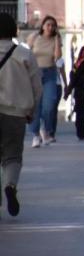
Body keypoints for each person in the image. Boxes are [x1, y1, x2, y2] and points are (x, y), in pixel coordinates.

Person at [0, 13, 43, 217]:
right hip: (15, 113)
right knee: (12, 155)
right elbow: (37, 87)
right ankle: (9, 185)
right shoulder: (24, 54)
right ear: (13, 31)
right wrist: (30, 111)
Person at [27, 15, 62, 147]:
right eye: (48, 24)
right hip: (35, 73)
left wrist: (58, 38)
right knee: (35, 105)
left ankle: (44, 128)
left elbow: (57, 57)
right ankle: (36, 135)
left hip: (50, 73)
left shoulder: (56, 39)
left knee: (50, 104)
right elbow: (27, 52)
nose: (50, 27)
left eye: (53, 25)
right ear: (43, 26)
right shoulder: (34, 37)